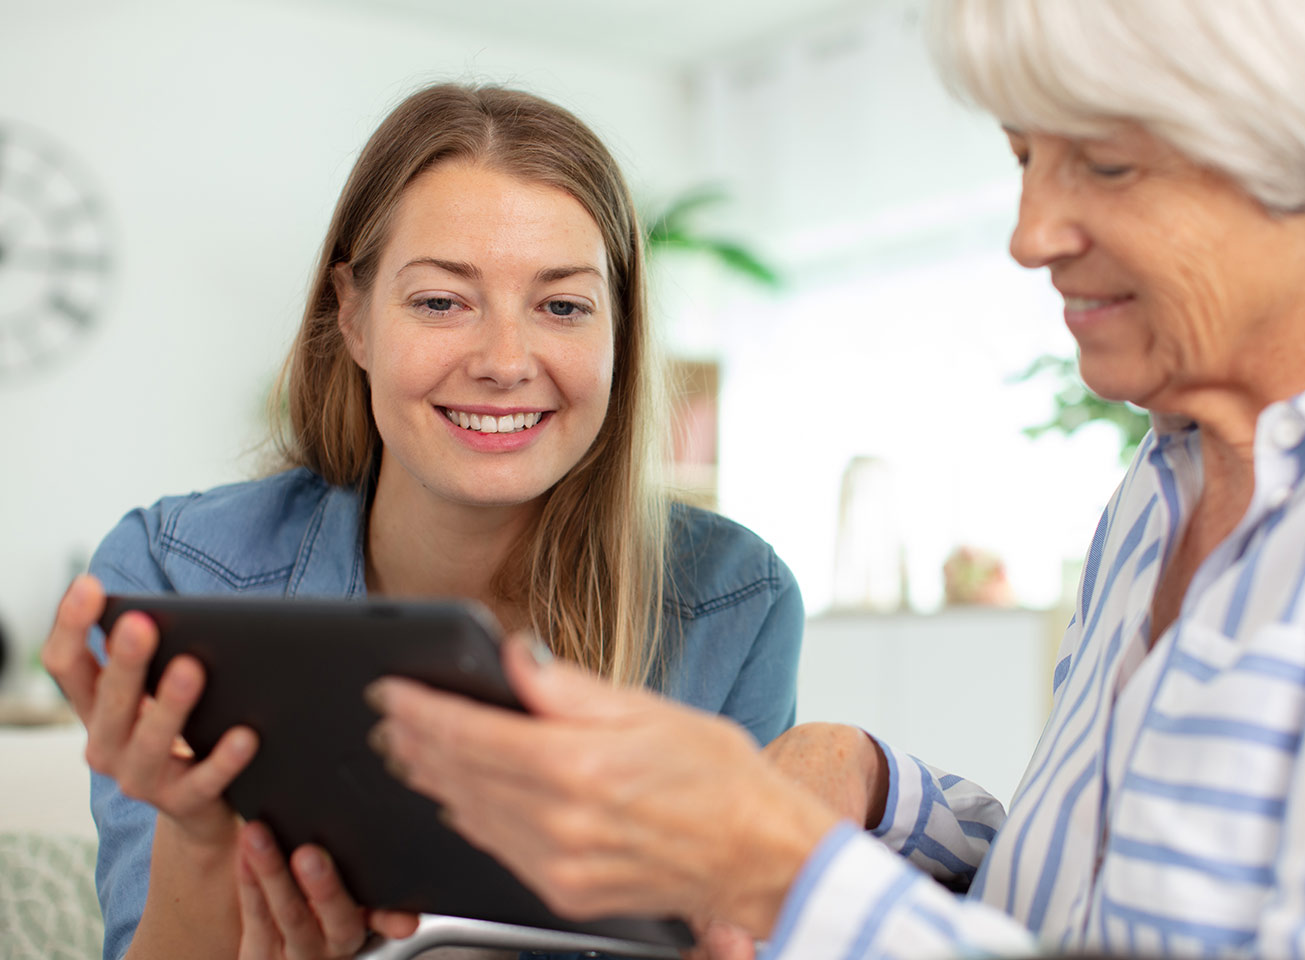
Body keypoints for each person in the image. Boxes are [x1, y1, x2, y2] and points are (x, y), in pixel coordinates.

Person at [351, 1, 1305, 957]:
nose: (1030, 233)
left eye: (1106, 165)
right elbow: (1098, 911)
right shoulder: (1165, 491)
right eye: (1024, 159)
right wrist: (877, 786)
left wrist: (785, 872)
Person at [40, 83, 804, 960]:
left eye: (562, 306)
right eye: (442, 302)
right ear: (354, 315)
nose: (505, 362)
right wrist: (203, 839)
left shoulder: (734, 602)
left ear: (620, 335)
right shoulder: (175, 573)